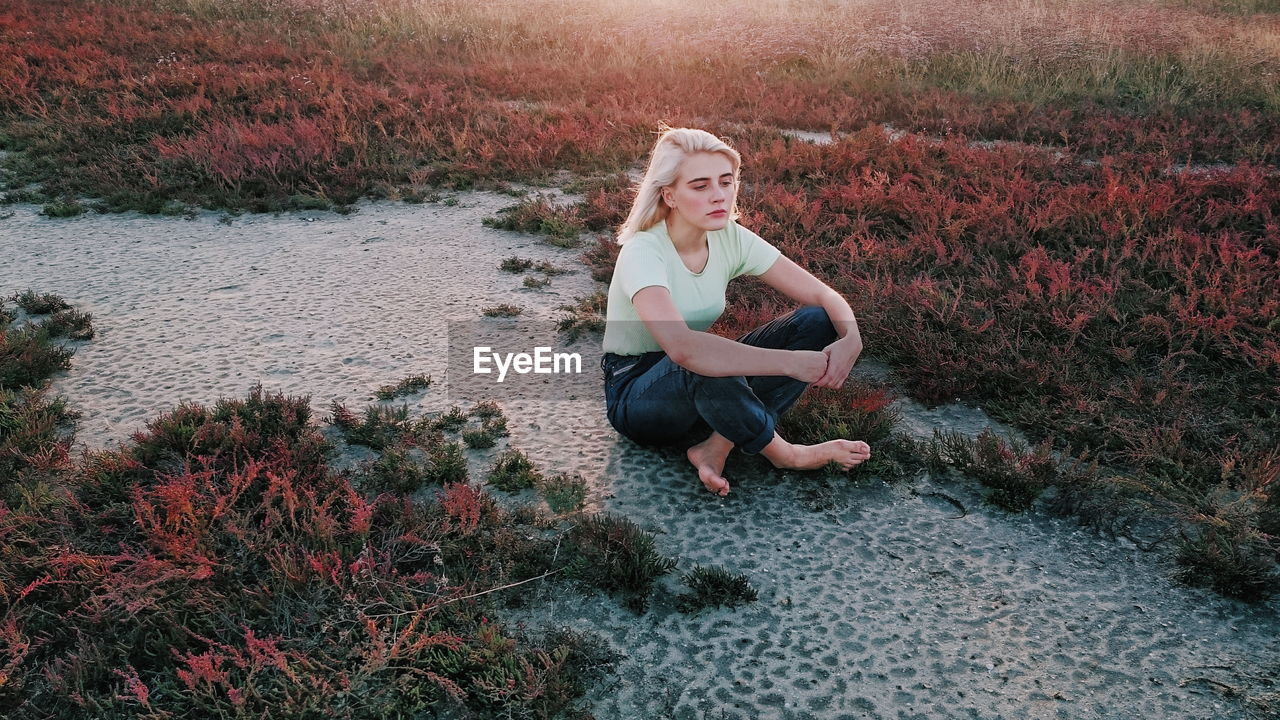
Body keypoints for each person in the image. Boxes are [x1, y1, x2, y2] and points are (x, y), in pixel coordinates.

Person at [601, 126, 871, 496]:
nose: (719, 196)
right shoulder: (643, 251)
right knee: (700, 357)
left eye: (726, 182)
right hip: (637, 396)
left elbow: (822, 294)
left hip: (696, 376)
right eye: (700, 186)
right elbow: (682, 348)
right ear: (670, 195)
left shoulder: (728, 236)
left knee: (817, 320)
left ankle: (715, 445)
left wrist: (851, 336)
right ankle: (786, 454)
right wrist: (788, 363)